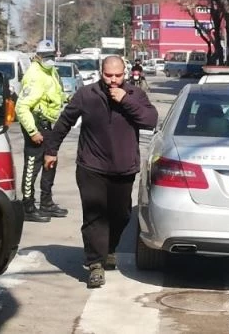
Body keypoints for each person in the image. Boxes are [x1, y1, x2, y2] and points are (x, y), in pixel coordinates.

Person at [43, 55, 158, 289]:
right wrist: (51, 150)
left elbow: (150, 120)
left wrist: (125, 100)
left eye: (118, 75)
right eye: (108, 75)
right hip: (91, 166)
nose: (113, 80)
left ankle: (109, 250)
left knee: (121, 215)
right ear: (100, 72)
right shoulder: (87, 94)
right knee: (95, 215)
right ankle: (95, 264)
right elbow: (65, 121)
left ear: (125, 73)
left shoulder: (136, 95)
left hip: (124, 168)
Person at [15, 40, 69, 223]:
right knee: (33, 165)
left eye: (52, 56)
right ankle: (28, 206)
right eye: (46, 56)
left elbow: (56, 94)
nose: (49, 59)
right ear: (38, 56)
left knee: (50, 163)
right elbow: (21, 107)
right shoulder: (34, 74)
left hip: (47, 125)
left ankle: (46, 203)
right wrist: (32, 131)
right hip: (35, 125)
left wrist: (69, 99)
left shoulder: (51, 71)